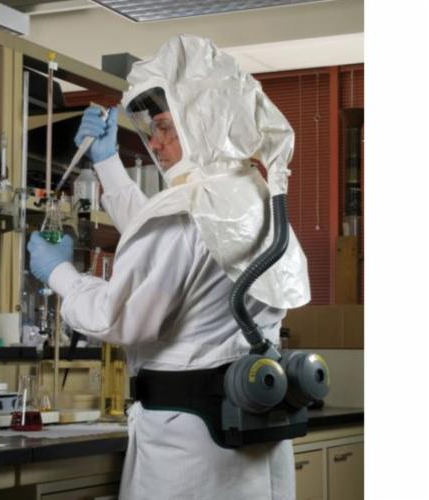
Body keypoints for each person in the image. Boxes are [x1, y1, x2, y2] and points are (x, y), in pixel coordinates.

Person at [28, 34, 310, 500]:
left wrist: (61, 274)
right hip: (250, 429)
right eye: (149, 130)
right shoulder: (247, 198)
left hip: (191, 445)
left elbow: (119, 316)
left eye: (164, 127)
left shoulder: (186, 215)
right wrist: (108, 164)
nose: (155, 144)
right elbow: (166, 250)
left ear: (204, 119)